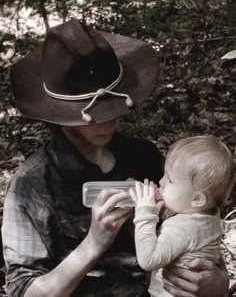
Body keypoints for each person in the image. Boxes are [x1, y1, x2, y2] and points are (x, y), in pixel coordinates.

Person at [1, 18, 229, 297]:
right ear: (60, 116)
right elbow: (24, 291)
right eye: (95, 117)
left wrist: (217, 282)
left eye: (114, 111)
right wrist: (93, 244)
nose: (110, 123)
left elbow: (196, 227)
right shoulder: (32, 185)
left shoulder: (142, 155)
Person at [130, 135, 235, 297]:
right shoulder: (209, 213)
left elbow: (148, 260)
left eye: (170, 180)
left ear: (197, 199)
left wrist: (145, 213)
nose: (161, 181)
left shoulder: (181, 229)